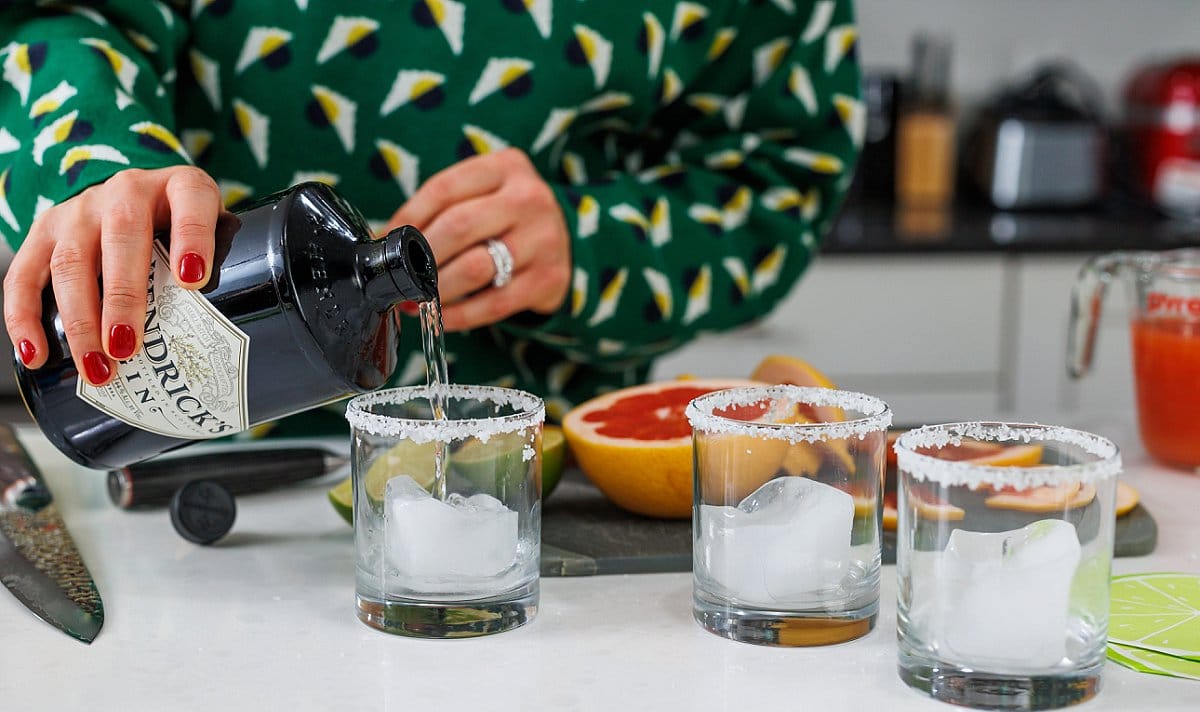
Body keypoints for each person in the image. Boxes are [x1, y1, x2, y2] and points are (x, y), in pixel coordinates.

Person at [0, 1, 861, 422]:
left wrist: (593, 246)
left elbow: (782, 168)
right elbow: (65, 19)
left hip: (536, 492)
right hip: (183, 484)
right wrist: (97, 158)